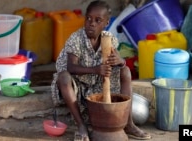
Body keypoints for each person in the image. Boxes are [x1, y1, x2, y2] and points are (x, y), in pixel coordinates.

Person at [51, 0, 152, 140]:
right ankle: (81, 126)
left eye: (98, 20)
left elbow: (118, 62)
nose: (91, 23)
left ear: (106, 23)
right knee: (63, 77)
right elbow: (71, 68)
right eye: (89, 18)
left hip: (96, 84)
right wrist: (96, 69)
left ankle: (128, 124)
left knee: (126, 71)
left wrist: (120, 61)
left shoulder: (108, 39)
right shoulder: (76, 39)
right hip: (77, 85)